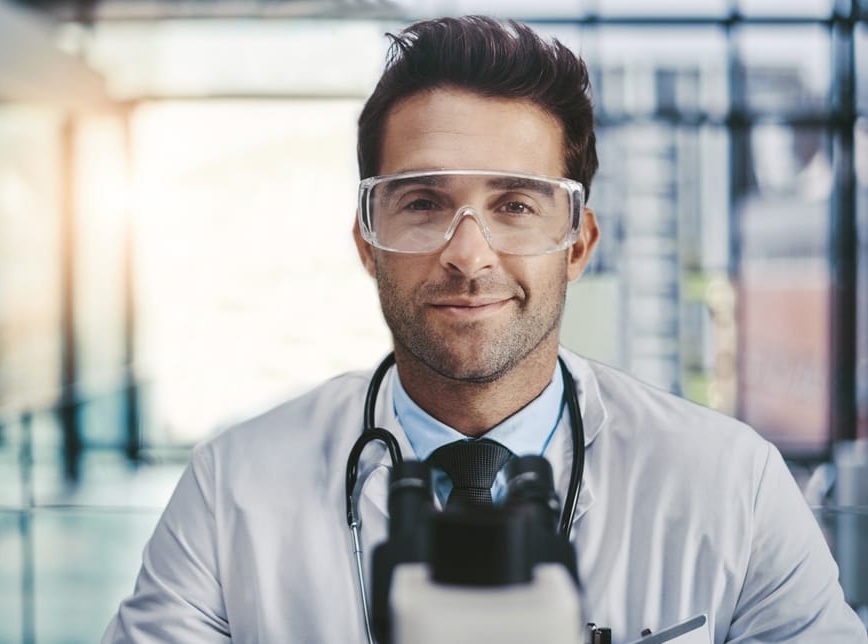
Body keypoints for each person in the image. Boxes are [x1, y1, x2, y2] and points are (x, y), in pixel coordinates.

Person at [103, 16, 867, 643]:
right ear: (368, 242)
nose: (468, 255)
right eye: (424, 203)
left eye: (516, 205)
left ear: (580, 246)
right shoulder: (232, 487)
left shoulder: (731, 485)